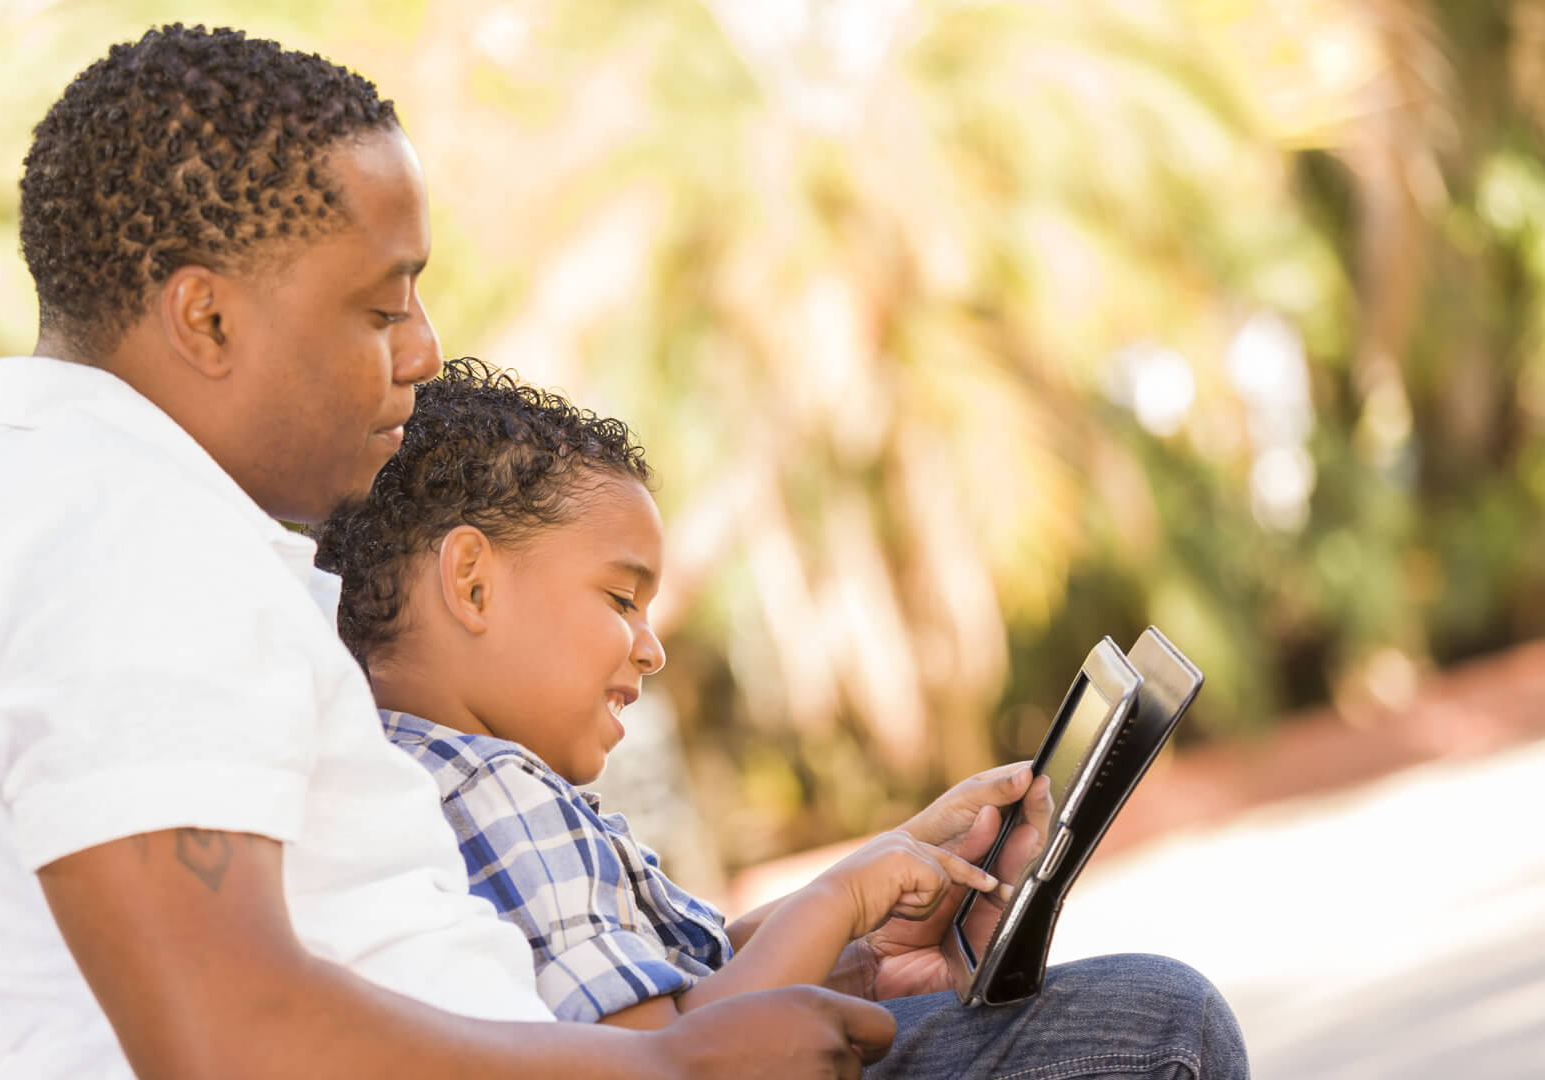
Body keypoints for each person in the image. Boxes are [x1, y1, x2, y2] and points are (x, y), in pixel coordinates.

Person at [0, 24, 897, 1080]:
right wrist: (675, 1069)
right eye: (382, 306)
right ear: (206, 319)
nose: (425, 351)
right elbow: (224, 1040)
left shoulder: (87, 513)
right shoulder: (112, 547)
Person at [319, 359, 1252, 1077]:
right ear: (472, 581)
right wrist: (839, 901)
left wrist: (868, 921)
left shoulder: (435, 776)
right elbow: (685, 1052)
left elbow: (690, 974)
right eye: (620, 599)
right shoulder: (495, 790)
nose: (651, 648)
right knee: (1161, 1017)